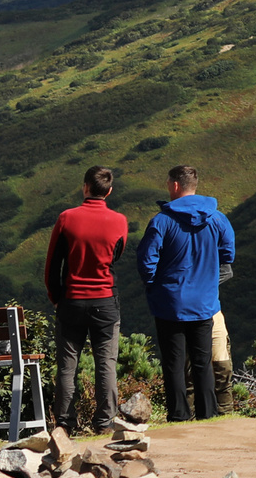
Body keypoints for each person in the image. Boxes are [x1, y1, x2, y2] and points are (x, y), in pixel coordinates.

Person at [136, 165, 234, 422]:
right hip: (204, 304)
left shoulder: (162, 221)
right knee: (203, 363)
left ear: (176, 185)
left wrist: (155, 287)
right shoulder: (217, 219)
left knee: (174, 365)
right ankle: (208, 415)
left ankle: (179, 416)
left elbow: (146, 262)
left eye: (168, 182)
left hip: (170, 304)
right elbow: (228, 257)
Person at [45, 166, 130, 433]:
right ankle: (104, 423)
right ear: (109, 191)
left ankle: (65, 424)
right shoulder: (120, 221)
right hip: (105, 300)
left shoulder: (67, 218)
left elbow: (52, 266)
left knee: (67, 367)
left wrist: (56, 298)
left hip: (71, 301)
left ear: (85, 187)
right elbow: (116, 256)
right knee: (106, 364)